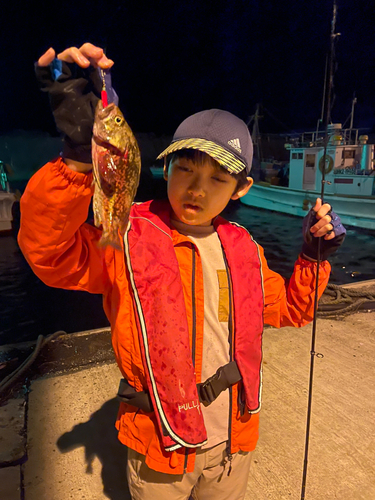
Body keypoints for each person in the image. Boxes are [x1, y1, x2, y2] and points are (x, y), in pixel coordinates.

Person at [18, 43, 346, 500]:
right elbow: (49, 253)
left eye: (218, 178)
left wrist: (313, 256)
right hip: (160, 445)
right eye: (185, 169)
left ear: (242, 188)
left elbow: (293, 308)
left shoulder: (245, 249)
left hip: (235, 440)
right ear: (164, 167)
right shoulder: (126, 239)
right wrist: (77, 158)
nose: (196, 189)